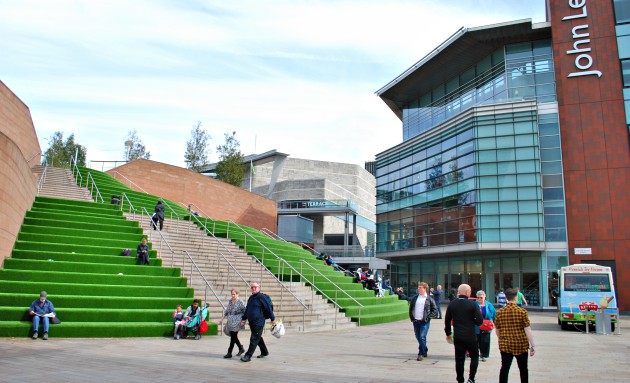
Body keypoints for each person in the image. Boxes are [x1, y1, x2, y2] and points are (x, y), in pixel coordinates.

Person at [444, 284, 484, 383]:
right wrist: (472, 321)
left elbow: (447, 320)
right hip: (470, 336)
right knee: (474, 357)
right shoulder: (473, 304)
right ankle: (471, 378)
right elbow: (480, 321)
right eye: (470, 291)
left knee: (459, 359)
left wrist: (448, 333)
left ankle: (460, 380)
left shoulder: (452, 304)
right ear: (467, 292)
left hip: (458, 336)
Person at [495, 288, 536, 383]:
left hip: (505, 344)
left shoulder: (500, 312)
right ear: (516, 298)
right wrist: (532, 345)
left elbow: (497, 329)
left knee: (505, 367)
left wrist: (501, 338)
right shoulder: (522, 312)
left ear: (506, 298)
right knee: (523, 368)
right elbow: (527, 329)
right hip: (521, 344)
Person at [397, 282, 438, 361]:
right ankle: (425, 349)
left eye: (420, 287)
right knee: (418, 337)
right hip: (416, 321)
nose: (418, 289)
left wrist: (428, 317)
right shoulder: (415, 298)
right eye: (418, 287)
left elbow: (435, 310)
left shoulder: (429, 299)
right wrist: (412, 318)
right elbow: (411, 308)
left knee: (422, 336)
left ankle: (421, 354)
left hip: (424, 322)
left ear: (425, 289)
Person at [240, 282, 275, 362]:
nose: (254, 288)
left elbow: (268, 309)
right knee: (257, 337)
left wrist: (272, 319)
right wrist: (244, 319)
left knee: (254, 338)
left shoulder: (262, 297)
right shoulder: (251, 298)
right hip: (252, 322)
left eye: (255, 287)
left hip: (259, 322)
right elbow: (247, 309)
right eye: (252, 287)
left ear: (259, 288)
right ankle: (264, 352)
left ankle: (248, 356)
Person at [220, 289, 246, 358]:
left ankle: (229, 352)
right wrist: (222, 319)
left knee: (233, 335)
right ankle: (241, 348)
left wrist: (244, 320)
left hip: (238, 320)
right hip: (231, 320)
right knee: (233, 336)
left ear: (237, 294)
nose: (233, 295)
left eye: (234, 294)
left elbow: (245, 311)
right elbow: (227, 310)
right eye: (232, 294)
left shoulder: (240, 302)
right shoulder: (230, 301)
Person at [475, 290, 497, 362]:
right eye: (478, 298)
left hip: (486, 325)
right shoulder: (475, 304)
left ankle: (484, 355)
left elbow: (494, 314)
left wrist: (493, 322)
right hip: (477, 325)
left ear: (485, 297)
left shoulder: (489, 305)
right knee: (477, 340)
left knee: (485, 341)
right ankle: (477, 353)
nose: (479, 299)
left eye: (481, 297)